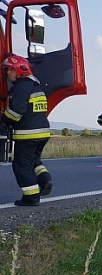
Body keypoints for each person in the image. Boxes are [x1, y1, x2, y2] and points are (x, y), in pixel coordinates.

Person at [1, 55, 52, 206]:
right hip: (42, 133)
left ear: (20, 70)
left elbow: (15, 113)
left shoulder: (21, 87)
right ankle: (45, 179)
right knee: (34, 161)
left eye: (10, 70)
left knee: (21, 165)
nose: (8, 73)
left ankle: (31, 197)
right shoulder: (36, 86)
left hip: (28, 134)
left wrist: (3, 120)